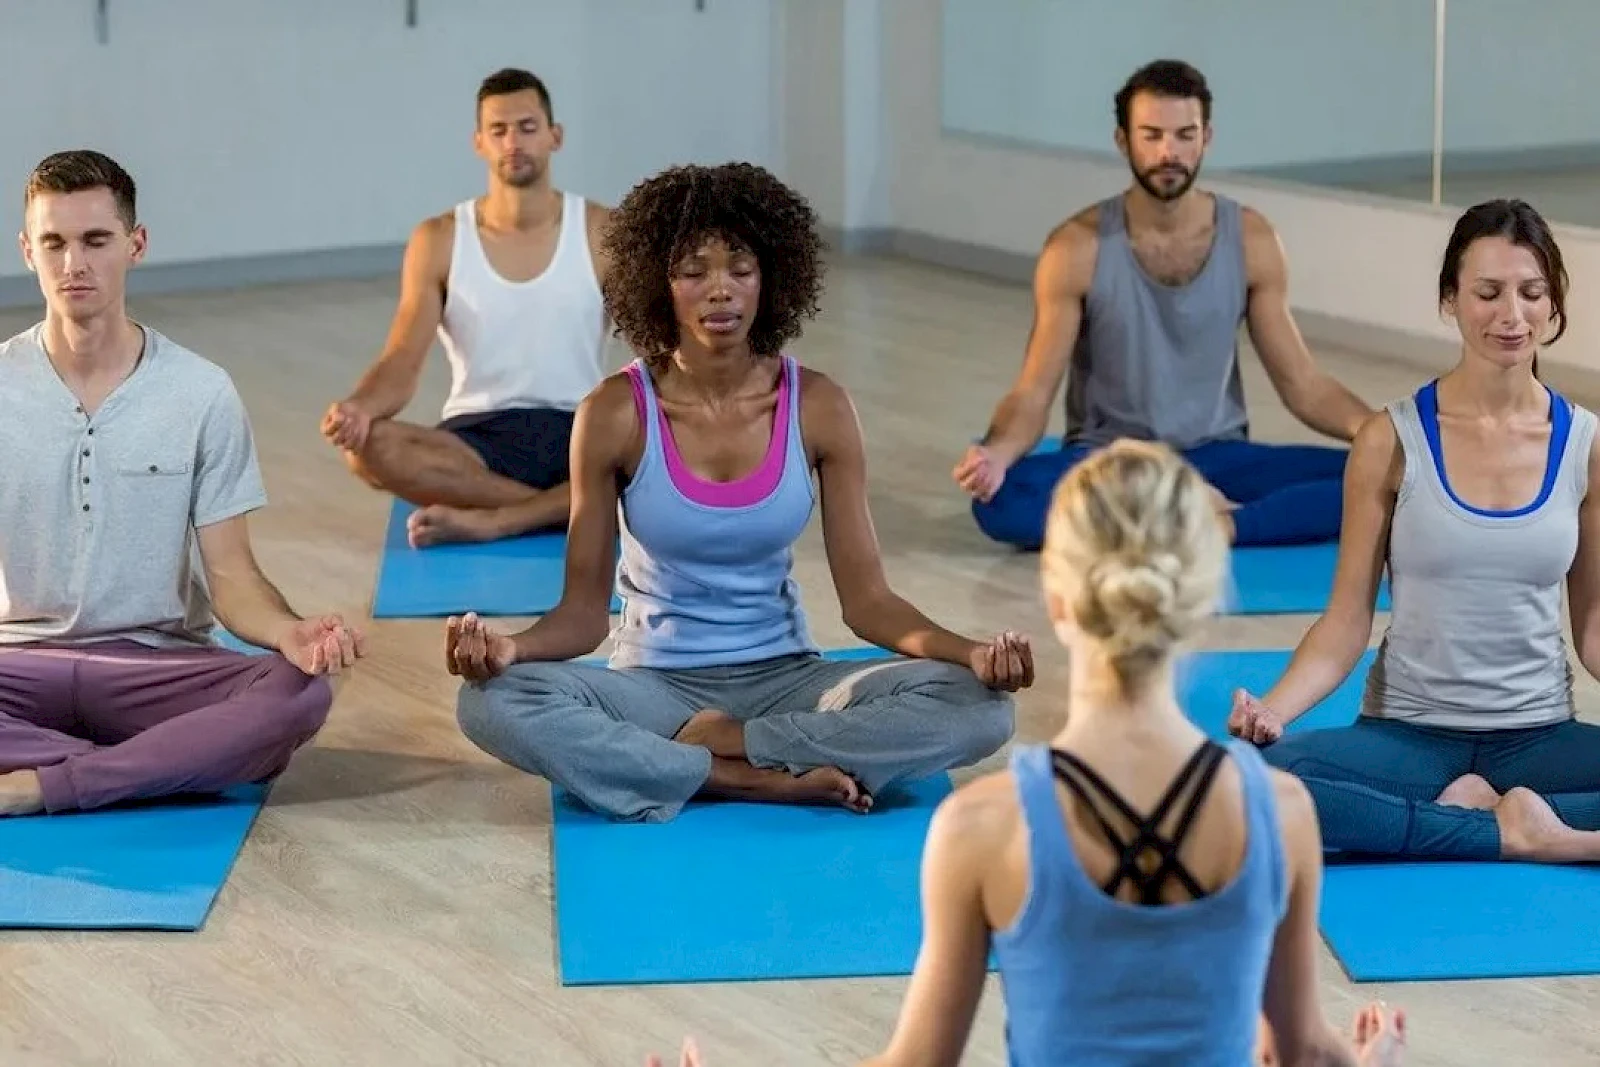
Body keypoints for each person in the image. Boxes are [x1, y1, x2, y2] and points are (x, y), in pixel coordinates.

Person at [443, 161, 1027, 823]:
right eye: (694, 270)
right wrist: (510, 649)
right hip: (654, 687)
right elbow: (581, 615)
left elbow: (870, 604)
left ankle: (730, 750)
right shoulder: (613, 412)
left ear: (770, 278)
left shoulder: (820, 405)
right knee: (489, 701)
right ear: (658, 283)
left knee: (981, 707)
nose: (720, 290)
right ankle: (738, 776)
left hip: (790, 680)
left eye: (740, 268)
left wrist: (973, 653)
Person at [863, 440, 1406, 1066]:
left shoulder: (983, 826)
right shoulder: (1280, 813)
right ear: (1199, 599)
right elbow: (1302, 1051)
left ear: (1056, 596)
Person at [1229, 198, 1600, 864]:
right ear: (1450, 301)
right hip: (1411, 736)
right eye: (1487, 293)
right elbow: (1345, 623)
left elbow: (1595, 625)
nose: (1510, 315)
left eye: (1531, 293)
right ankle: (1516, 831)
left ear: (1554, 307)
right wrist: (1274, 710)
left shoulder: (1585, 445)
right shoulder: (1389, 439)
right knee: (1245, 784)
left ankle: (1452, 823)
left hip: (1539, 736)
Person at [0, 150, 362, 817]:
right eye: (54, 242)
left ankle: (46, 778)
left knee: (302, 691)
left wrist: (289, 631)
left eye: (95, 240)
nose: (74, 263)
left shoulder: (200, 391)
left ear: (135, 245)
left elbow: (232, 576)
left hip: (155, 669)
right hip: (19, 667)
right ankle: (158, 764)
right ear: (27, 249)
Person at [954, 59, 1372, 552]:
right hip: (1114, 463)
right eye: (1151, 135)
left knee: (1376, 479)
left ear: (1206, 138)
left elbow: (1304, 384)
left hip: (1217, 456)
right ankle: (1210, 514)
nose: (1168, 152)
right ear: (1122, 140)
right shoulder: (1074, 249)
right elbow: (1032, 392)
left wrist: (1379, 434)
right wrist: (998, 454)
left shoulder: (1253, 240)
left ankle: (1212, 520)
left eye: (1184, 135)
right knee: (1002, 502)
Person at [321, 68, 612, 547]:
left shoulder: (602, 231)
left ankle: (499, 518)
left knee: (660, 442)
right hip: (476, 441)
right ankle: (563, 511)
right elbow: (402, 358)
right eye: (498, 131)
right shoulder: (439, 239)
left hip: (578, 431)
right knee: (367, 447)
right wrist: (359, 408)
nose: (513, 142)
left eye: (527, 127)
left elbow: (656, 342)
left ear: (554, 137)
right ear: (479, 142)